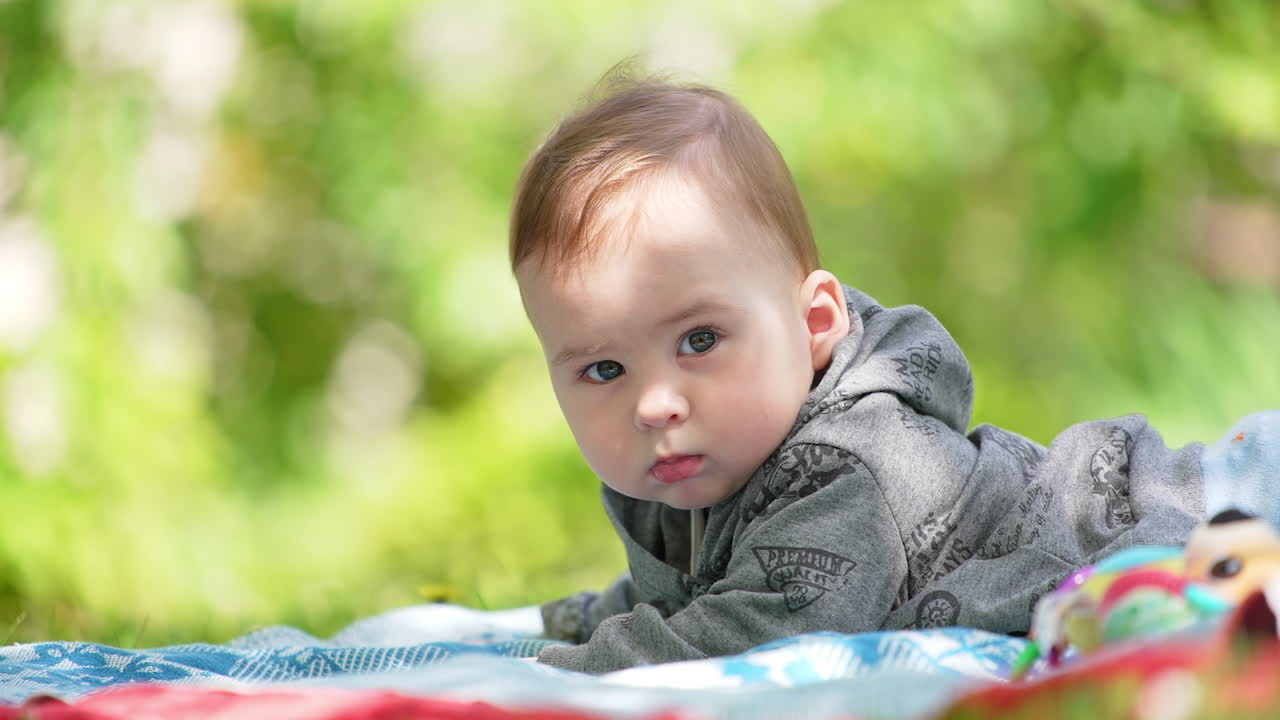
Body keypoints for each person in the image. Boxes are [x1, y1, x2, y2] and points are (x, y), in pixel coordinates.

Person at [507, 75, 1278, 674]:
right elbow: (687, 592)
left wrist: (564, 668)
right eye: (603, 368)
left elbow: (760, 630)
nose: (655, 402)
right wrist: (580, 616)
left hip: (1202, 504)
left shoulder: (851, 463)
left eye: (701, 339)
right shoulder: (702, 464)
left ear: (814, 326)